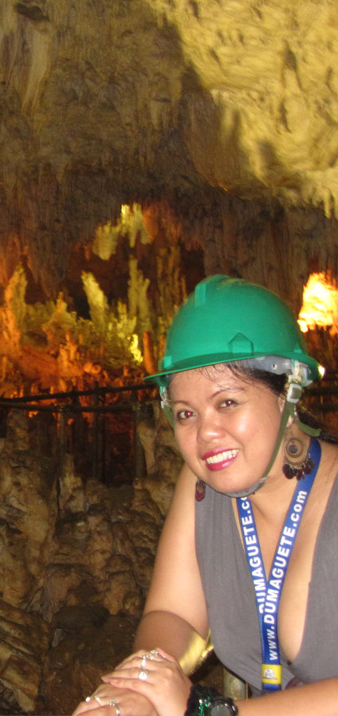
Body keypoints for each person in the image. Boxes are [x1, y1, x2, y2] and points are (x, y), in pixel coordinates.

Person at [72, 275, 338, 716]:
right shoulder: (203, 487)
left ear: (287, 395)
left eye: (228, 402)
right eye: (185, 413)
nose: (206, 434)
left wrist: (210, 711)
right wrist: (137, 694)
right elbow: (175, 615)